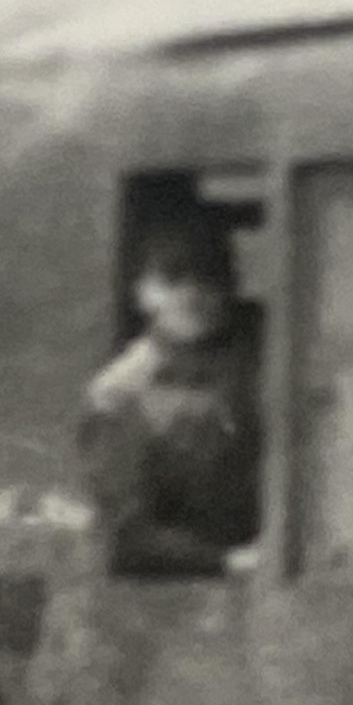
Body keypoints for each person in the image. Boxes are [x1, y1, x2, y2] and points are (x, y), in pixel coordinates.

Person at [78, 211, 262, 576]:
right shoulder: (119, 395)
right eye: (172, 279)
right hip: (190, 588)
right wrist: (225, 562)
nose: (190, 295)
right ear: (143, 293)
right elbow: (126, 530)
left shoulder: (261, 361)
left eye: (208, 279)